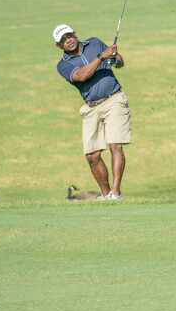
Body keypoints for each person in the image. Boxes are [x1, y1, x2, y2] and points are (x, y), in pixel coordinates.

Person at [54, 24, 131, 200]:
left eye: (69, 35)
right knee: (92, 155)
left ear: (75, 34)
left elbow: (119, 62)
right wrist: (101, 56)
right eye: (63, 40)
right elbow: (81, 76)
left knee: (115, 145)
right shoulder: (63, 65)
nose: (68, 40)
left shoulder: (94, 43)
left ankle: (115, 193)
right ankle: (105, 195)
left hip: (114, 99)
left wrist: (115, 59)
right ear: (59, 46)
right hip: (91, 107)